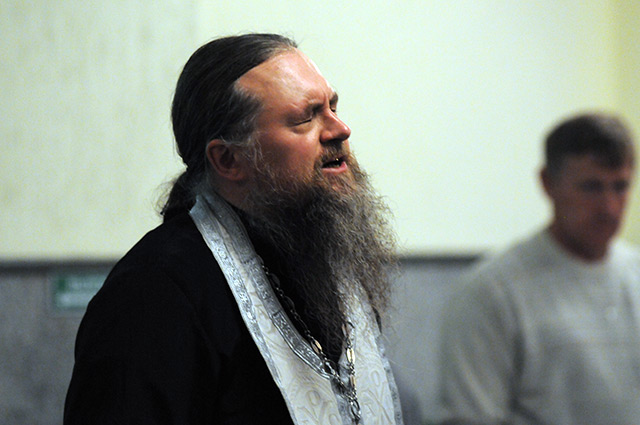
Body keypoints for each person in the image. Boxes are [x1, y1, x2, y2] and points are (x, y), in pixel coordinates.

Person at [64, 33, 403, 425]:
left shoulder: (327, 259)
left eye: (333, 107)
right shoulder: (153, 293)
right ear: (228, 160)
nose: (340, 129)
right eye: (306, 118)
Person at [437, 112, 640, 425]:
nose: (609, 207)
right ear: (548, 183)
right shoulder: (491, 293)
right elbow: (469, 418)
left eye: (621, 186)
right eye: (591, 187)